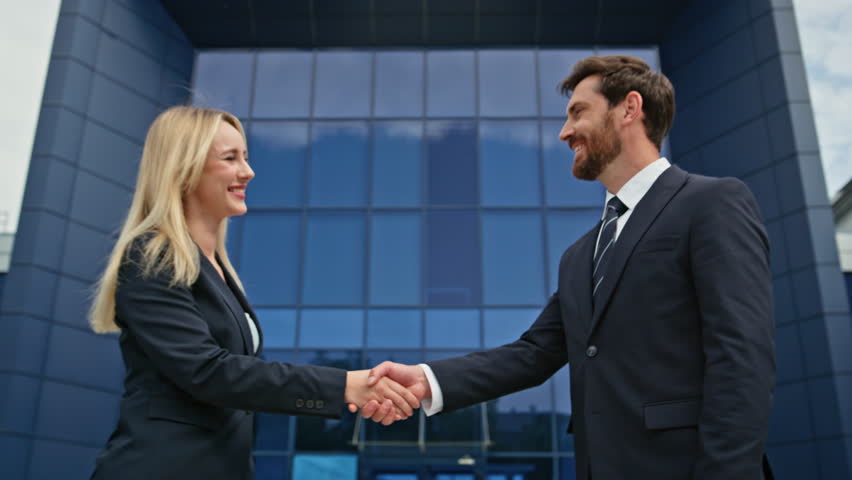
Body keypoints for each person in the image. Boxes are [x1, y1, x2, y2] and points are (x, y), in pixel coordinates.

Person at [356, 56, 775, 480]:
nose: (564, 132)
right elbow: (533, 354)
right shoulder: (581, 255)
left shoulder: (711, 203)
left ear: (629, 108)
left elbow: (740, 353)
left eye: (578, 112)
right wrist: (427, 380)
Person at [88, 106, 418, 480]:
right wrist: (344, 386)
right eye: (230, 159)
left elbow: (246, 382)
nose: (248, 172)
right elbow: (209, 372)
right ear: (184, 169)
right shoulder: (154, 256)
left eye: (245, 157)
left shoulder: (218, 270)